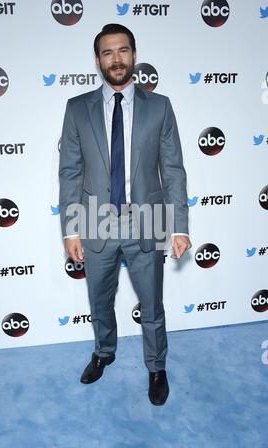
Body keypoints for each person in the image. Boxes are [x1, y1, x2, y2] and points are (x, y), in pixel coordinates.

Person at [59, 24, 192, 406]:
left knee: (151, 303)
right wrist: (71, 230)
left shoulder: (160, 106)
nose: (115, 59)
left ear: (134, 54)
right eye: (107, 53)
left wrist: (180, 226)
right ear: (98, 59)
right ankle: (104, 352)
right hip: (95, 219)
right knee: (100, 300)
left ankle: (156, 367)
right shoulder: (76, 108)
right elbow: (70, 171)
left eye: (122, 51)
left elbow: (174, 169)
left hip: (146, 219)